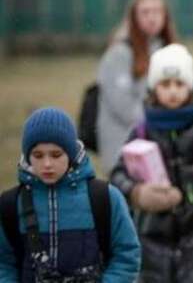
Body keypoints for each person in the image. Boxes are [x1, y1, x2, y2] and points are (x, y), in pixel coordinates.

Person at [110, 44, 193, 283]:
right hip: (151, 237)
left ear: (191, 86)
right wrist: (138, 193)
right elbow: (118, 174)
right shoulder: (141, 129)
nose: (172, 91)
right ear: (153, 87)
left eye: (179, 84)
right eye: (165, 84)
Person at [0, 108, 141, 282]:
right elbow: (3, 263)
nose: (47, 164)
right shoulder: (10, 204)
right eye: (38, 155)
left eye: (56, 155)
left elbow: (127, 255)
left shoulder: (105, 198)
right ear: (27, 156)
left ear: (71, 153)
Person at [97, 0, 177, 173]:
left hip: (158, 146)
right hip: (124, 148)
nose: (152, 17)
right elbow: (124, 107)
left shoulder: (166, 49)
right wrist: (163, 121)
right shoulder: (119, 54)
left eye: (157, 11)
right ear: (133, 17)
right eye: (145, 12)